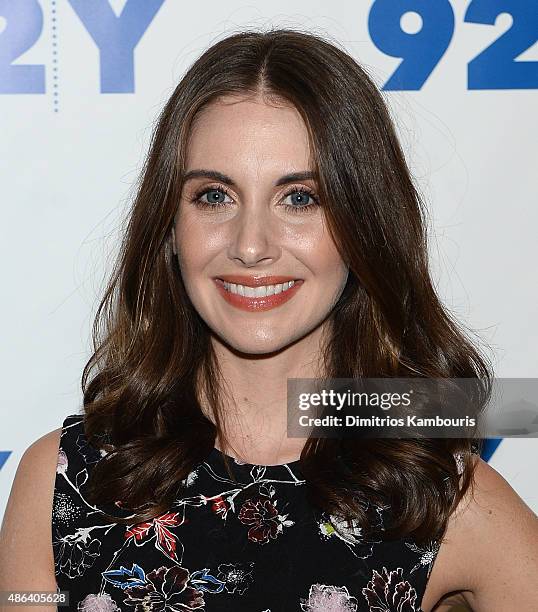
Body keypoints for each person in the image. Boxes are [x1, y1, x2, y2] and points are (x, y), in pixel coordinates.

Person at [1, 28, 537, 612]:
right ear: (170, 228)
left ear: (364, 227)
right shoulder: (62, 482)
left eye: (300, 198)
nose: (251, 246)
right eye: (214, 196)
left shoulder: (441, 502)